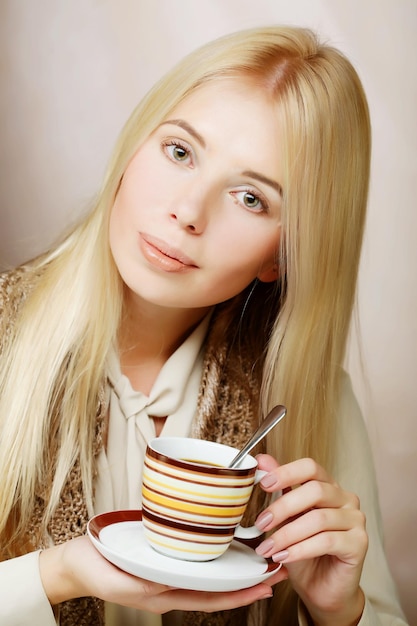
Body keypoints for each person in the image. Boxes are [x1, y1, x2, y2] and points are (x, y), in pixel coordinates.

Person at [0, 24, 408, 626]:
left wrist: (339, 612)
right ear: (134, 146)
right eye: (180, 152)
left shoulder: (307, 401)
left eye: (251, 198)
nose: (187, 212)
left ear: (283, 254)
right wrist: (54, 575)